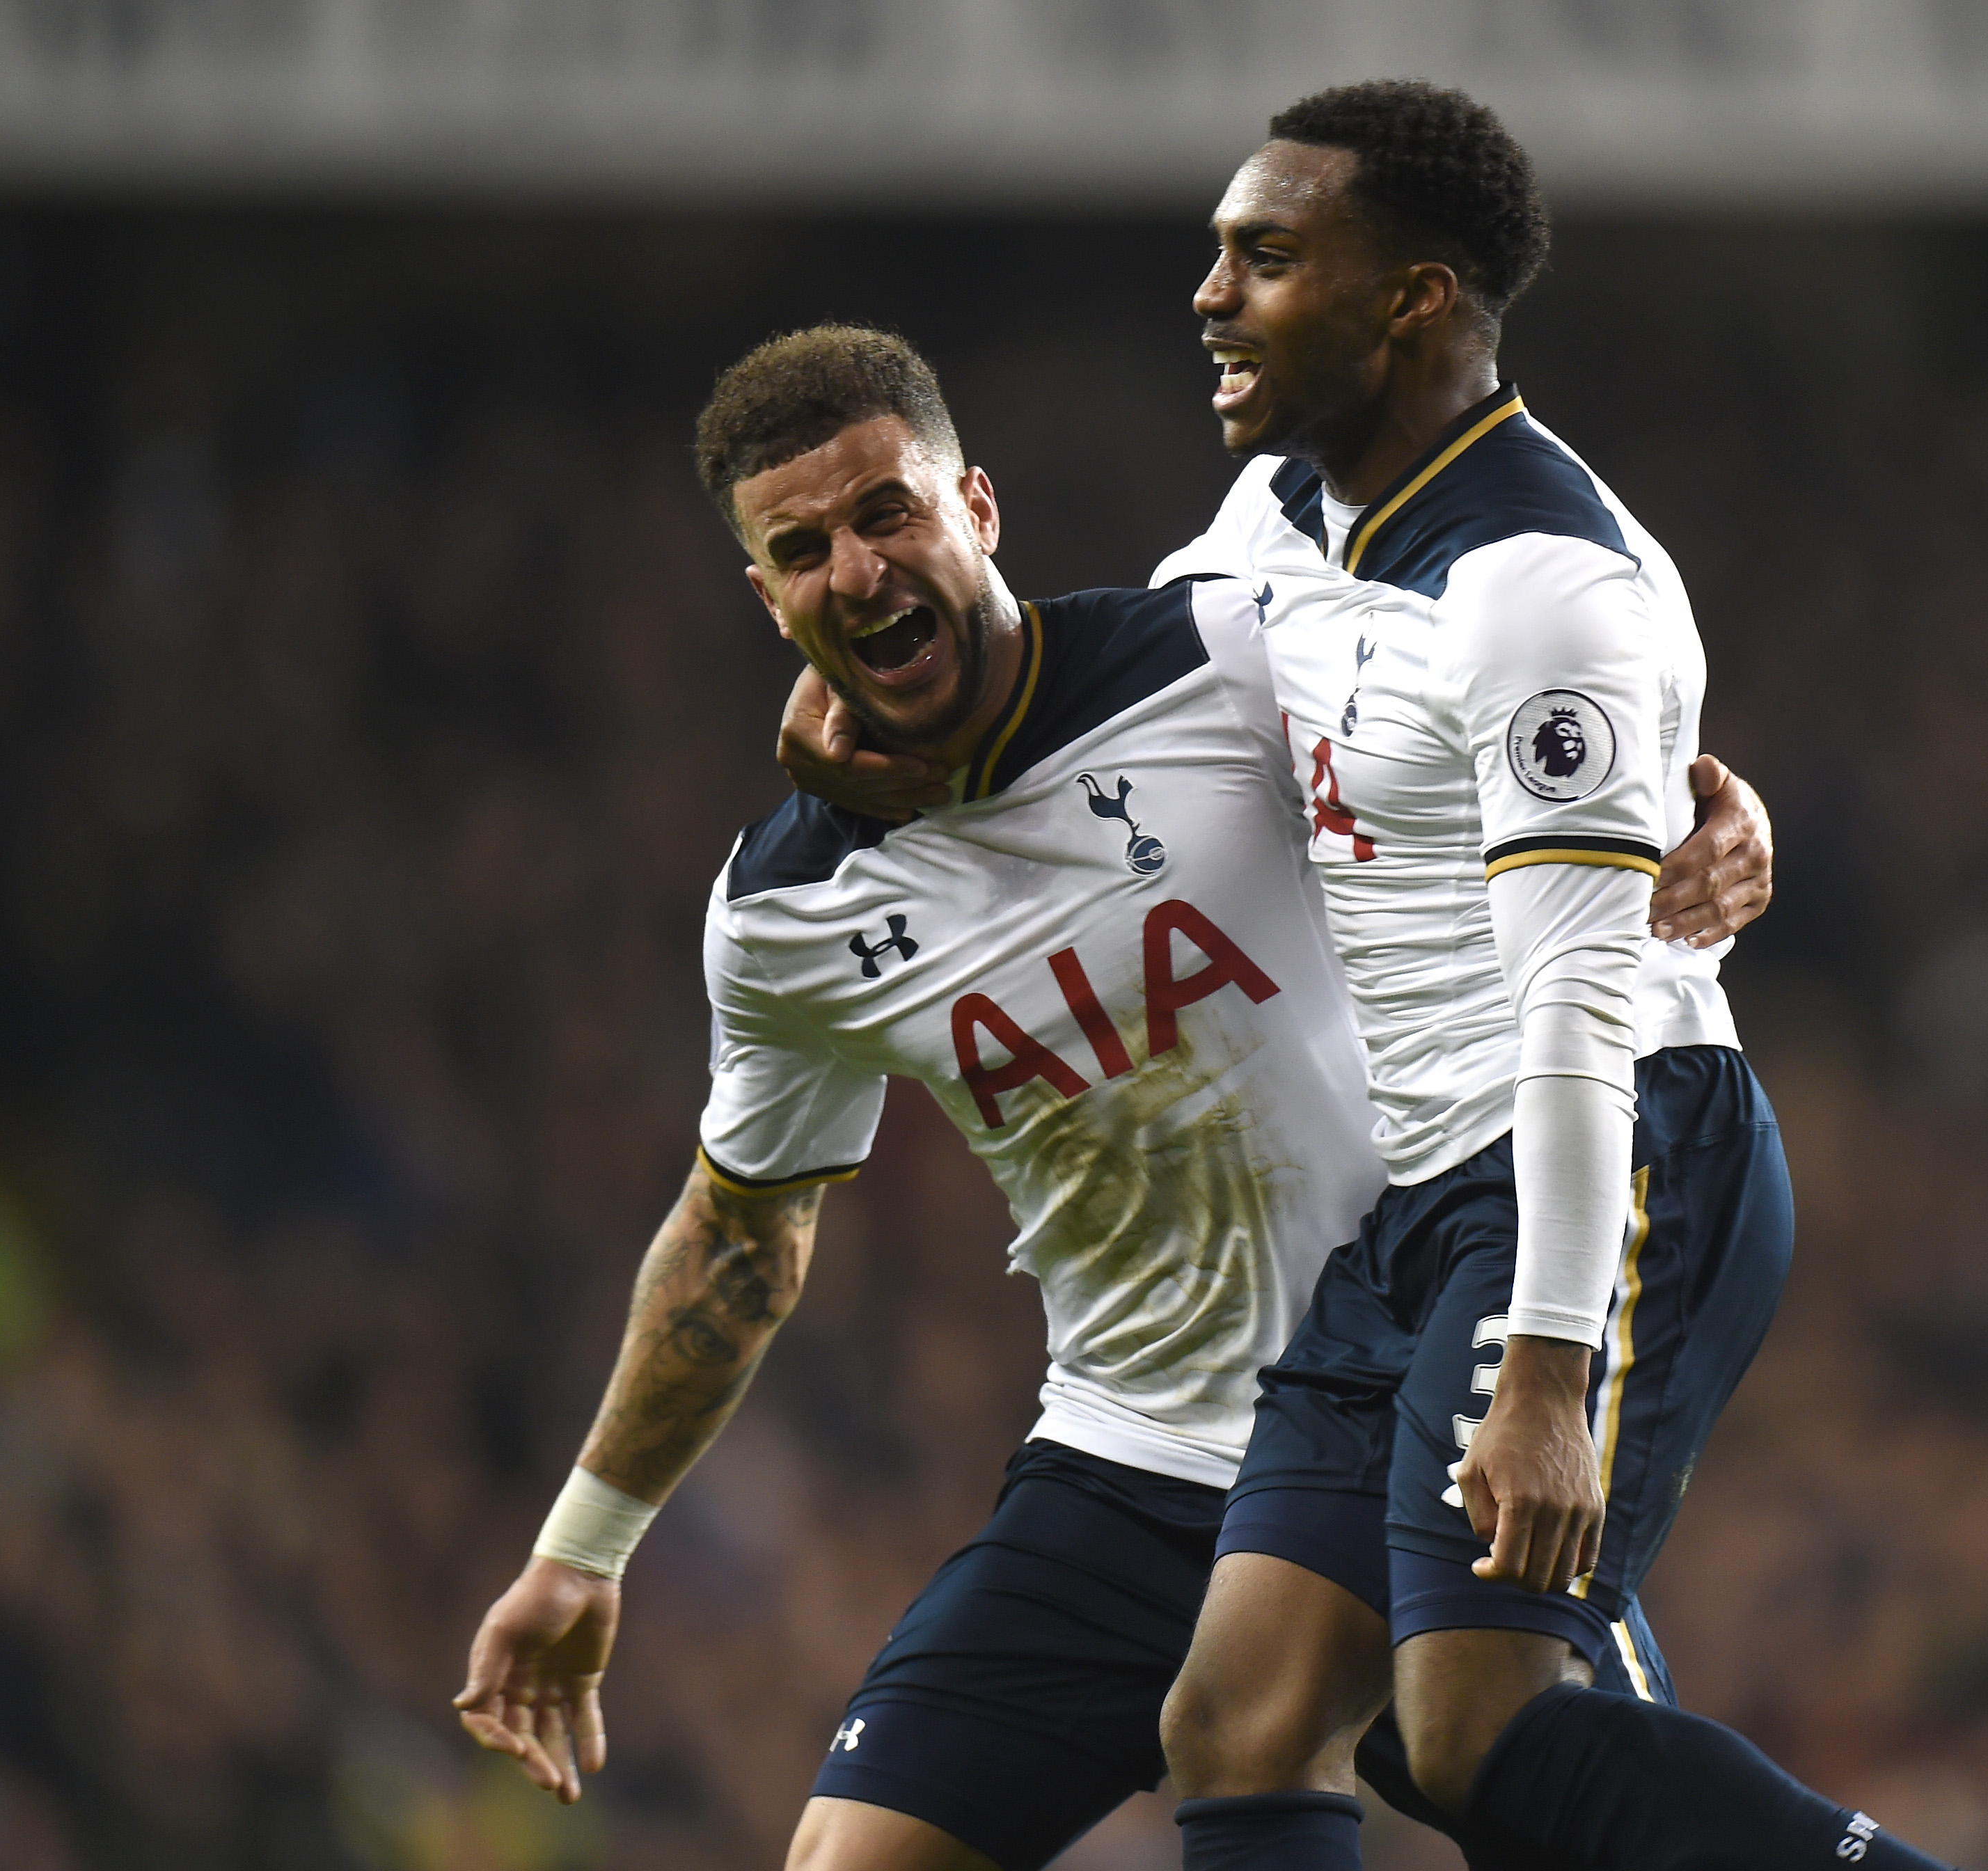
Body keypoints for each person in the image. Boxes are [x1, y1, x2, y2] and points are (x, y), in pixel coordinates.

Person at [450, 325, 1760, 1871]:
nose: (858, 573)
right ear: (764, 596)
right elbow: (741, 1243)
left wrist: (1700, 795)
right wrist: (581, 1555)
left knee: (1534, 1787)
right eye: (801, 551)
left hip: (1394, 1396)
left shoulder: (1218, 657)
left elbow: (1519, 700)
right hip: (1127, 1453)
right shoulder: (784, 909)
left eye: (888, 513)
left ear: (975, 510)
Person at [1128, 84, 1958, 1871]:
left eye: (1263, 258)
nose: (1208, 294)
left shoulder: (1542, 582)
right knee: (1248, 1710)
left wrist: (1548, 1369)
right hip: (1418, 1195)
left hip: (1603, 1153)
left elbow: (1580, 1006)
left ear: (1411, 297)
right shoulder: (1280, 514)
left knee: (1473, 1723)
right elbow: (1121, 693)